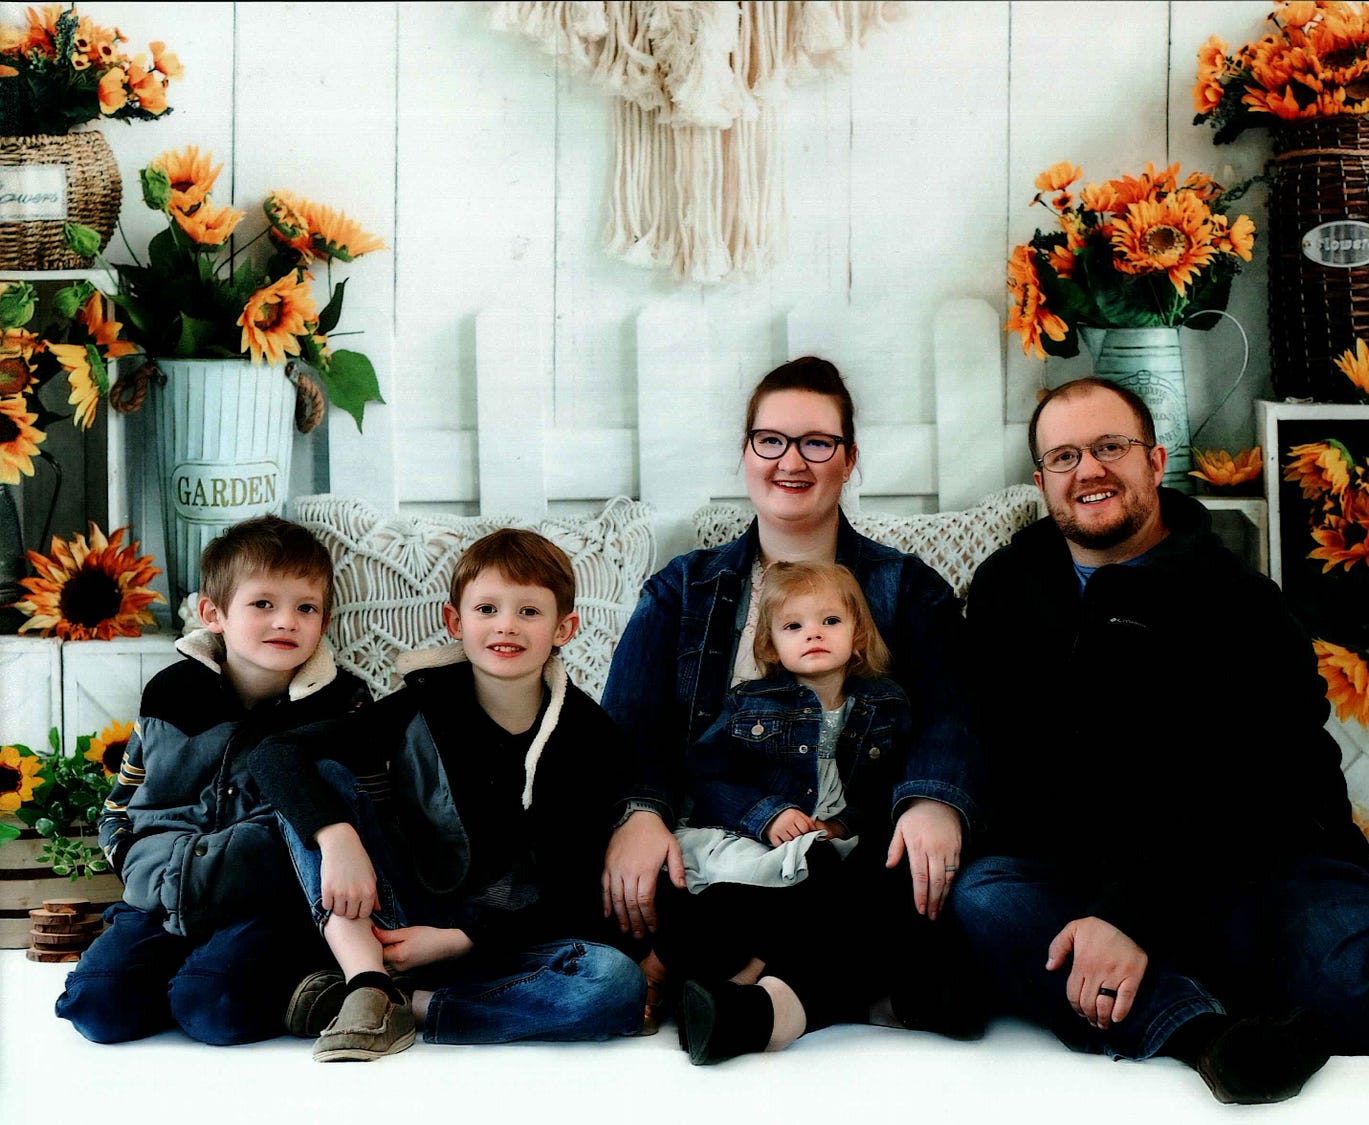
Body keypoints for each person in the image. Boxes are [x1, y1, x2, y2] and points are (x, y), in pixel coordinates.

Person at [949, 377, 1369, 1104]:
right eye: (1064, 456)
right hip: (1094, 867)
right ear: (1041, 482)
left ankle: (1284, 1001)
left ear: (1155, 461)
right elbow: (1002, 755)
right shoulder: (1007, 589)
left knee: (1347, 973)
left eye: (1109, 447)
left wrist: (1131, 914)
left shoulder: (1238, 601)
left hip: (1270, 859)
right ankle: (1214, 1036)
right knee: (989, 897)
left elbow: (1254, 787)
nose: (1087, 469)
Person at [601, 356, 977, 1053]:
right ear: (746, 453)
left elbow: (950, 713)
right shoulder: (682, 589)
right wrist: (640, 813)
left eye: (816, 442)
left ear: (849, 458)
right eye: (770, 439)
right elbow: (630, 732)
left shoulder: (905, 588)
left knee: (898, 877)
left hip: (850, 852)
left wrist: (932, 799)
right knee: (674, 889)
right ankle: (864, 986)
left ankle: (757, 999)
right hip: (719, 854)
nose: (791, 461)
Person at [252, 528, 646, 1062]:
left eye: (529, 612)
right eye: (487, 608)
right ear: (455, 622)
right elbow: (275, 754)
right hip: (399, 920)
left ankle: (408, 1007)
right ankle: (366, 981)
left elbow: (571, 886)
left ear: (565, 628)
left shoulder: (590, 736)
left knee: (613, 982)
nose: (506, 625)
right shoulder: (421, 706)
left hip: (507, 942)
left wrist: (463, 939)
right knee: (321, 773)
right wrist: (338, 838)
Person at [54, 515, 370, 1045]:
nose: (286, 621)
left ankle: (288, 979)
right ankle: (175, 974)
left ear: (325, 619)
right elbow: (123, 800)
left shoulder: (340, 703)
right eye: (263, 604)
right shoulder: (171, 693)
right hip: (161, 891)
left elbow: (351, 806)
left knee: (212, 1009)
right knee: (96, 1008)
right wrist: (135, 865)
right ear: (213, 613)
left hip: (263, 903)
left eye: (305, 608)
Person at [647, 561, 911, 1063]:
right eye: (794, 626)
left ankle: (746, 992)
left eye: (830, 621)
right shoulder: (752, 703)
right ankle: (711, 976)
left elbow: (886, 792)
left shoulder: (886, 705)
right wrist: (766, 813)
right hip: (754, 839)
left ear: (857, 635)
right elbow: (706, 775)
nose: (813, 633)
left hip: (830, 843)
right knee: (739, 902)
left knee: (851, 881)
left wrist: (843, 824)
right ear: (770, 646)